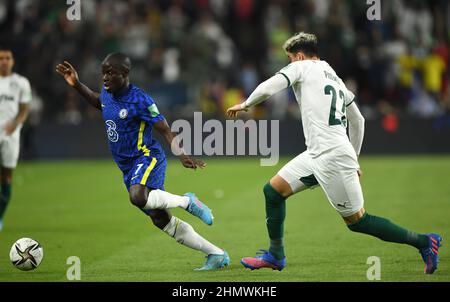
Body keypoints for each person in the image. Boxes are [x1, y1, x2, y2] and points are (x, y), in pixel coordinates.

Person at [226, 32, 442, 274]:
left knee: (358, 221)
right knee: (273, 191)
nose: (289, 64)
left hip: (331, 156)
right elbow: (357, 120)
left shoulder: (302, 67)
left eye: (289, 59)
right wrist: (354, 157)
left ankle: (425, 241)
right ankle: (276, 255)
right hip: (318, 153)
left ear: (298, 56)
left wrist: (245, 104)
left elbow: (271, 86)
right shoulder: (334, 77)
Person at [56, 53, 229, 271]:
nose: (105, 78)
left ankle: (188, 201)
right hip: (127, 168)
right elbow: (97, 100)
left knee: (137, 196)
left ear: (125, 74)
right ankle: (216, 254)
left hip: (146, 157)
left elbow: (164, 128)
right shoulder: (108, 95)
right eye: (103, 73)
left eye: (110, 73)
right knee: (161, 219)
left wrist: (183, 155)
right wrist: (77, 84)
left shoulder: (140, 99)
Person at [0, 47, 31, 231]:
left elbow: (24, 110)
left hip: (11, 135)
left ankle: (1, 217)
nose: (4, 61)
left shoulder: (21, 83)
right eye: (1, 58)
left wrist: (16, 123)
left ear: (12, 61)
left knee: (7, 176)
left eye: (7, 58)